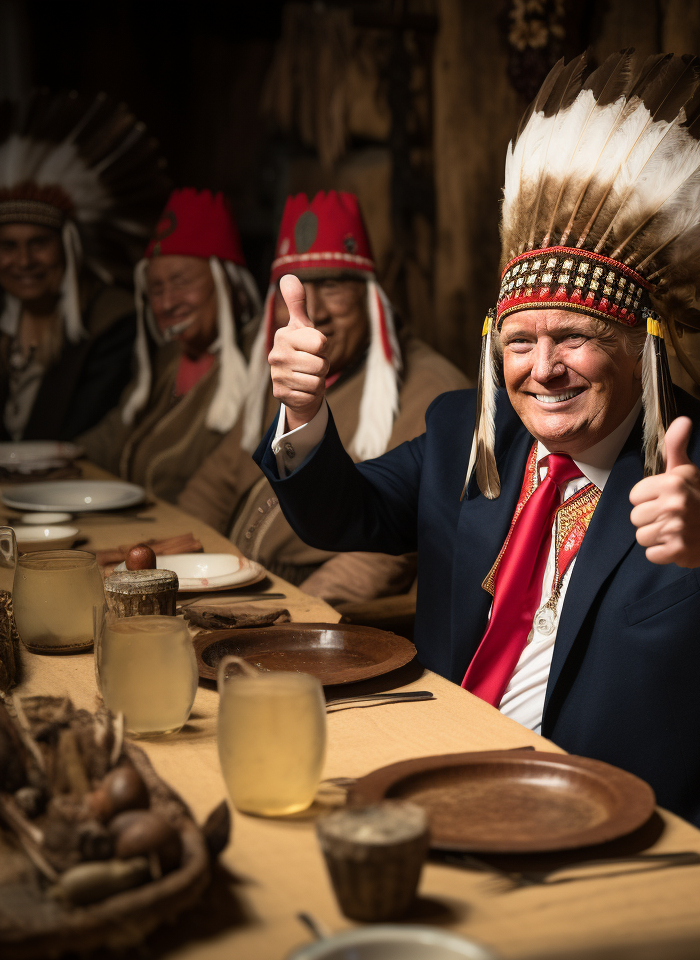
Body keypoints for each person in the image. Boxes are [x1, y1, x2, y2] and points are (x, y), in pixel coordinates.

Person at [255, 51, 700, 859]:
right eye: (520, 341)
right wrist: (303, 411)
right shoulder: (463, 433)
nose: (543, 369)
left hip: (648, 827)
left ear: (643, 351)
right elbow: (344, 513)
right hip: (445, 784)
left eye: (575, 337)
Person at [178, 191, 468, 599]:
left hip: (310, 598)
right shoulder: (283, 373)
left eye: (332, 285)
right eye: (294, 293)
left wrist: (292, 612)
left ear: (369, 297)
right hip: (236, 579)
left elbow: (384, 551)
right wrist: (183, 564)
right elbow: (219, 479)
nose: (314, 312)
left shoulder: (434, 390)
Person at [0, 92, 169, 441]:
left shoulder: (111, 322)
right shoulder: (4, 318)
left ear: (68, 249)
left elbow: (78, 434)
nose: (24, 262)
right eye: (8, 246)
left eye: (39, 244)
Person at [79, 189, 262, 502]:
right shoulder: (165, 362)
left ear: (226, 284)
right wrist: (58, 457)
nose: (166, 304)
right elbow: (112, 434)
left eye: (181, 283)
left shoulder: (258, 365)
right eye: (156, 289)